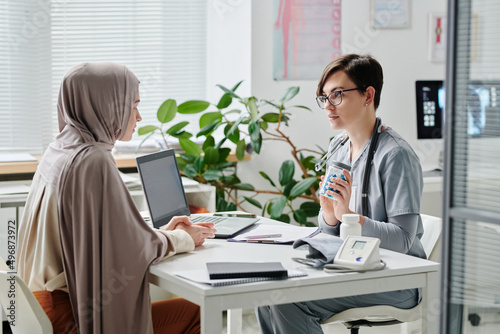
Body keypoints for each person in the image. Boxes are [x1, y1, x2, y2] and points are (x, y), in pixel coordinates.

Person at [17, 62, 216, 334]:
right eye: (132, 105)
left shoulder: (60, 149)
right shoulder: (92, 159)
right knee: (196, 312)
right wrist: (183, 238)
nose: (139, 116)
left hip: (43, 308)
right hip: (71, 318)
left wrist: (153, 234)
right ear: (106, 105)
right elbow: (127, 252)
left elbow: (107, 238)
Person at [256, 54, 425, 333]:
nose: (328, 106)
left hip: (399, 279)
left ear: (368, 95)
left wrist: (348, 217)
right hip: (354, 266)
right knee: (264, 292)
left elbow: (404, 241)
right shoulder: (338, 146)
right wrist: (330, 215)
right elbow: (331, 230)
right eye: (324, 98)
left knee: (288, 300)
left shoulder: (396, 155)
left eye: (337, 95)